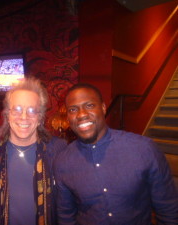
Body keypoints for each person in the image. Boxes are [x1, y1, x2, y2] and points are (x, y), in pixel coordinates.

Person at [53, 83, 178, 225]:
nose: (81, 114)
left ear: (103, 108)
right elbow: (66, 215)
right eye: (73, 109)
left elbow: (168, 208)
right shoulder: (62, 162)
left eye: (89, 106)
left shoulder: (144, 149)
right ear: (68, 117)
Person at [0, 78, 67, 225]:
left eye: (31, 110)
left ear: (40, 117)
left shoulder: (59, 150)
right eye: (17, 109)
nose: (24, 117)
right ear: (7, 115)